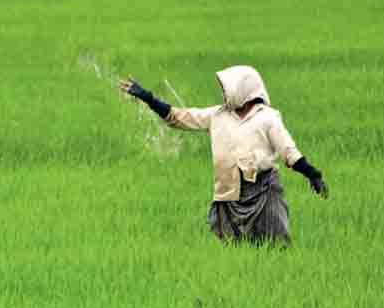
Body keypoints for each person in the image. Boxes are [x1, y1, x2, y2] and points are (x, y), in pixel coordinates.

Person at [119, 65, 328, 246]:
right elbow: (178, 117)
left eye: (227, 89)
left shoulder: (268, 118)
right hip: (229, 192)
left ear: (243, 89)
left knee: (275, 245)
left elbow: (288, 151)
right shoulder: (217, 115)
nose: (224, 94)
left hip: (263, 191)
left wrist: (312, 174)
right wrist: (148, 98)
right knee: (233, 247)